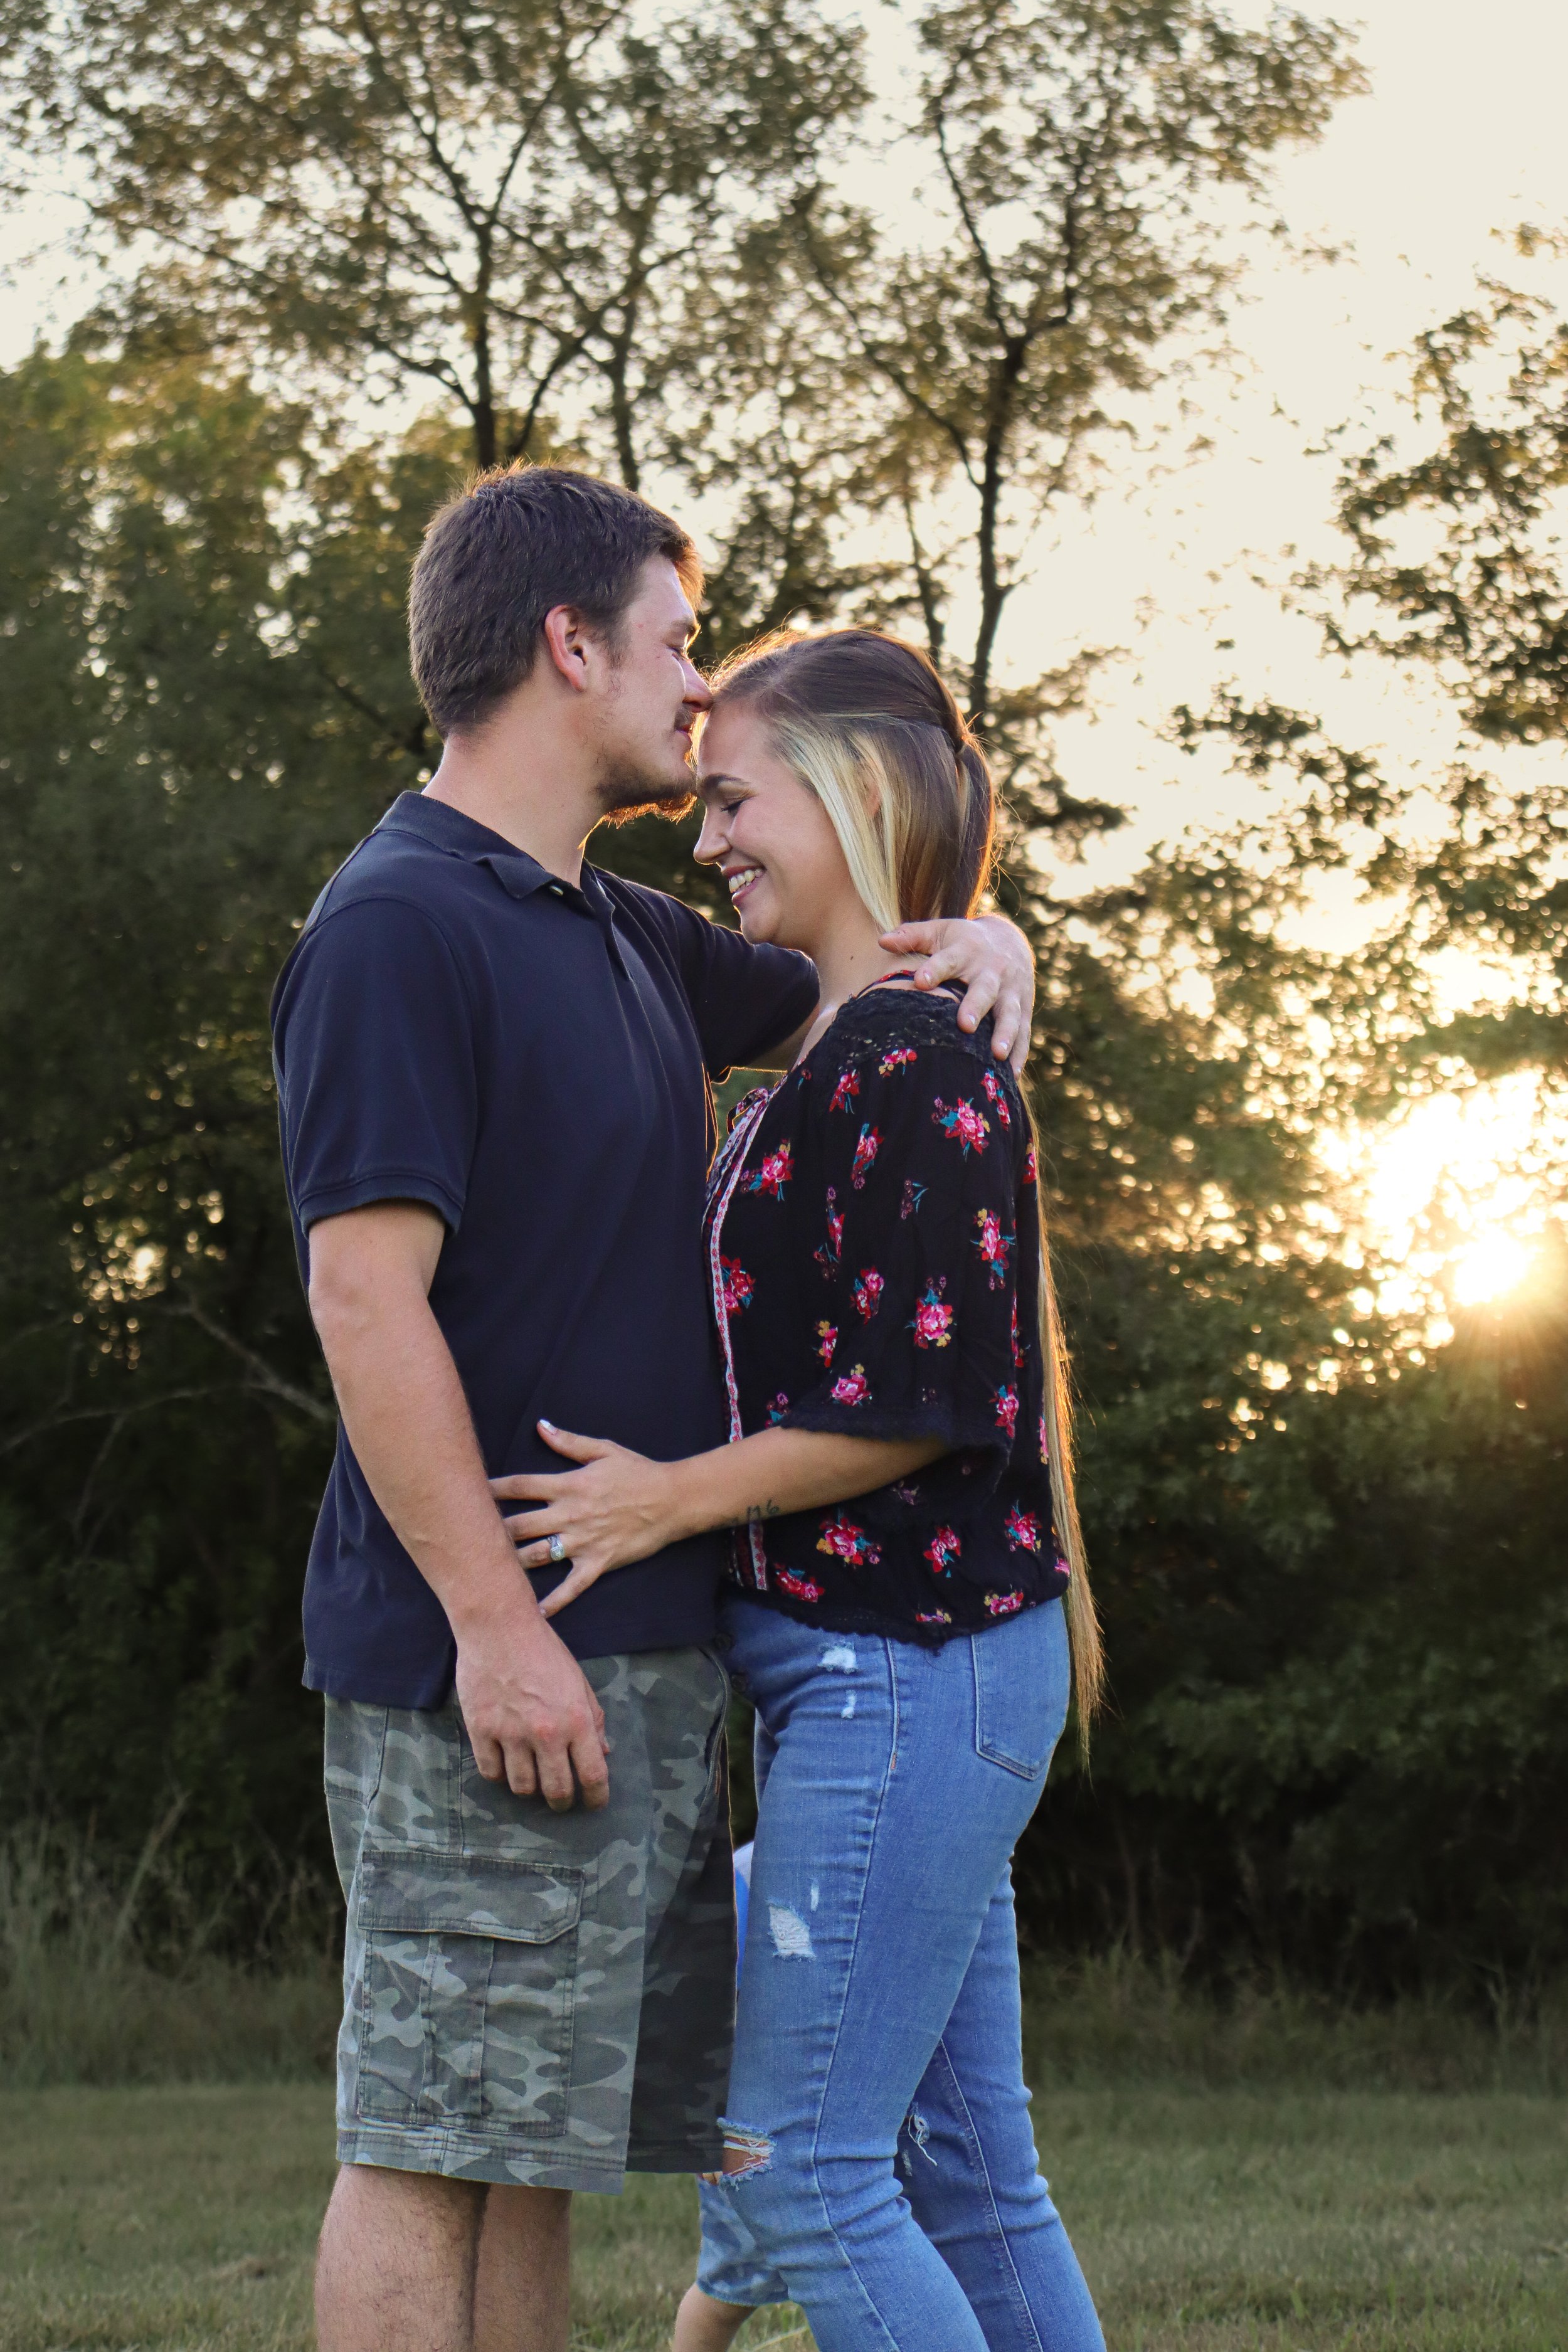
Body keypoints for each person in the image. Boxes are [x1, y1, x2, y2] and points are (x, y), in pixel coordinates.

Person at [270, 467, 1040, 2352]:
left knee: (526, 2148)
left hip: (634, 1646)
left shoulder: (611, 934)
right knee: (419, 2141)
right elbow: (360, 1297)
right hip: (491, 1644)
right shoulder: (397, 926)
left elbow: (860, 977)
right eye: (680, 642)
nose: (698, 696)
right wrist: (491, 1627)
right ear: (568, 643)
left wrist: (993, 932)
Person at [489, 627, 1108, 2352]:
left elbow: (925, 1404)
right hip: (888, 1676)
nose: (707, 839)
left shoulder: (908, 1058)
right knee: (968, 2176)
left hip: (905, 1674)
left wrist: (665, 1501)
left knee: (803, 2168)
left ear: (851, 791)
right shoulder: (839, 1045)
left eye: (737, 799)